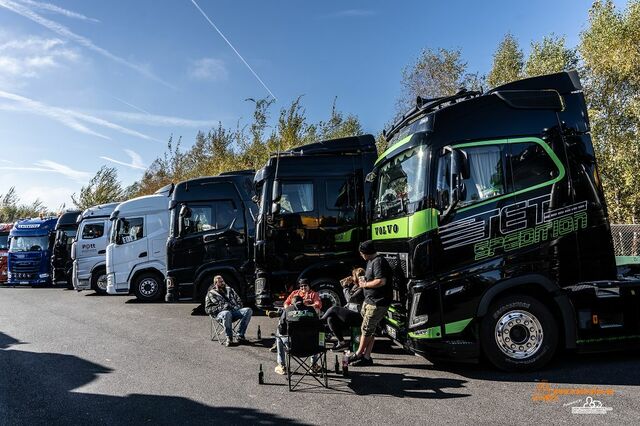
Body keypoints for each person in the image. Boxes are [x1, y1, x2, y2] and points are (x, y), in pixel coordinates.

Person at [348, 240, 393, 367]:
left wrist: (365, 284)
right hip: (369, 300)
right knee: (370, 330)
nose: (361, 255)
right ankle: (366, 357)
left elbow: (381, 281)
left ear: (366, 253)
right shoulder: (370, 262)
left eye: (362, 253)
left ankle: (358, 353)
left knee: (366, 329)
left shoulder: (379, 262)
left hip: (378, 302)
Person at [320, 267, 365, 350]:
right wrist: (344, 283)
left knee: (334, 309)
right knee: (331, 318)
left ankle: (319, 322)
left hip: (359, 316)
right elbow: (343, 286)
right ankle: (342, 342)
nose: (352, 277)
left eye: (353, 276)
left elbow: (350, 299)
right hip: (351, 312)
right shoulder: (356, 286)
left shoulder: (363, 288)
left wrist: (345, 287)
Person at [274, 295, 319, 375]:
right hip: (312, 347)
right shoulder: (311, 310)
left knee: (278, 335)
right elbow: (319, 327)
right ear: (303, 302)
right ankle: (313, 365)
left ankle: (282, 365)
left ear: (292, 304)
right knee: (317, 335)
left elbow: (282, 330)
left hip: (293, 347)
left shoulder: (288, 310)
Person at [204, 275, 252, 347]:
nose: (222, 283)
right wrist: (222, 307)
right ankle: (229, 338)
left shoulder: (230, 290)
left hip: (234, 312)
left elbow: (239, 302)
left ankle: (240, 336)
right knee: (227, 313)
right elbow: (207, 309)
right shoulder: (211, 293)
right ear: (215, 283)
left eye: (223, 281)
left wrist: (236, 307)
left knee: (248, 310)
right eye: (220, 282)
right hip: (220, 314)